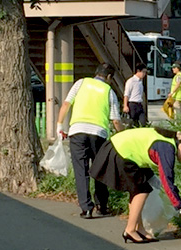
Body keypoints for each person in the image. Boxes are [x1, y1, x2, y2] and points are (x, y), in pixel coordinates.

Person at [90, 127, 181, 243]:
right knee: (141, 190)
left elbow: (141, 150)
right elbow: (167, 180)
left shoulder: (167, 140)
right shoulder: (167, 148)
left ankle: (138, 228)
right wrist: (180, 207)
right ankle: (130, 230)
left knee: (138, 188)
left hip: (119, 148)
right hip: (121, 151)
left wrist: (150, 176)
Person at [56, 63, 124, 219]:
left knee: (81, 170)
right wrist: (122, 136)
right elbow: (115, 120)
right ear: (108, 77)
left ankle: (86, 208)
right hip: (98, 133)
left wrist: (60, 125)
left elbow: (66, 104)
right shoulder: (109, 92)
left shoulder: (81, 83)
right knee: (100, 169)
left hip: (77, 131)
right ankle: (102, 205)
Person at [123, 63, 147, 127]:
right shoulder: (131, 81)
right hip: (132, 105)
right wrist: (125, 106)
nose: (144, 74)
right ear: (138, 71)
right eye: (143, 72)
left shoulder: (140, 81)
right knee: (133, 123)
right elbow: (126, 94)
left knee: (143, 123)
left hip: (139, 104)